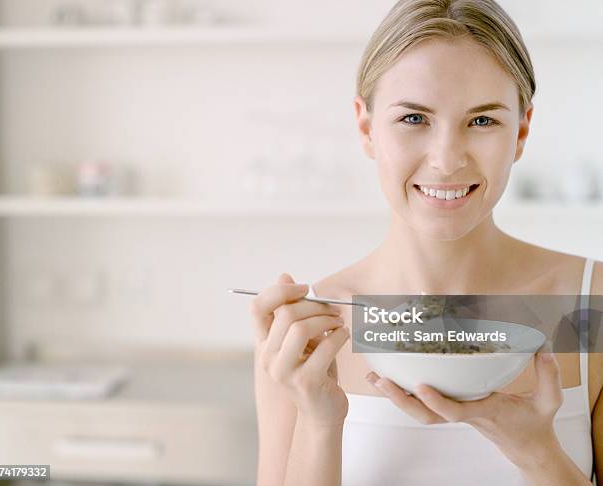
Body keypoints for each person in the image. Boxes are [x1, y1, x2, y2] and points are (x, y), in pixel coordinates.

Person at [249, 0, 603, 484]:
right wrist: (320, 423)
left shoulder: (588, 308)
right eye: (414, 119)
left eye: (482, 121)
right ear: (366, 127)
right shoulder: (309, 333)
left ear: (520, 131)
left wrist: (537, 452)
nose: (446, 160)